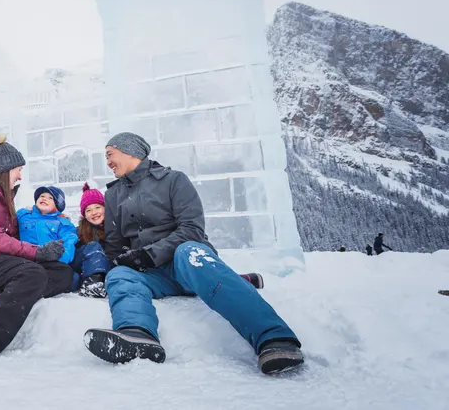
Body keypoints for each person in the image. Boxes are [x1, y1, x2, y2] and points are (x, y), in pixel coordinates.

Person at [83, 132, 304, 375]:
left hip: (187, 263)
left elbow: (192, 229)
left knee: (189, 252)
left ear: (130, 151)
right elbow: (115, 243)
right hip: (153, 275)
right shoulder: (113, 194)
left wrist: (148, 254)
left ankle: (274, 338)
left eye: (110, 155)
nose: (108, 162)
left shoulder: (173, 180)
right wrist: (121, 261)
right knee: (119, 274)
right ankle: (137, 335)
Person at [0, 133, 74, 358]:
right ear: (5, 169)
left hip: (0, 261)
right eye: (18, 170)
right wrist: (38, 253)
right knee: (33, 274)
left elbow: (15, 239)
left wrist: (47, 220)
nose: (20, 176)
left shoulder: (4, 198)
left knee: (62, 273)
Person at [73, 183, 264, 298]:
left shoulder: (120, 222)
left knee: (196, 273)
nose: (94, 213)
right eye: (88, 210)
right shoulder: (82, 231)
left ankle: (238, 280)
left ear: (106, 208)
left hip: (136, 263)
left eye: (97, 207)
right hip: (112, 270)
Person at [17, 186, 78, 265]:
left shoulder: (63, 223)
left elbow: (68, 244)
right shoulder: (23, 215)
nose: (44, 199)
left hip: (51, 262)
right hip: (26, 262)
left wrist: (59, 261)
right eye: (42, 196)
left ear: (57, 206)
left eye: (50, 198)